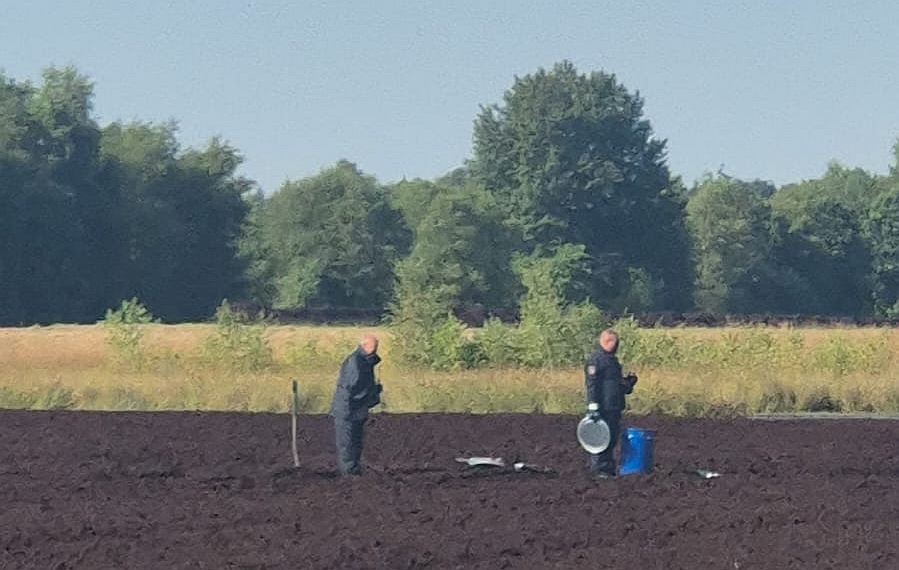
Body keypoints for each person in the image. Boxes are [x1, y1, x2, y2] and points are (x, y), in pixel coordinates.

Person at [583, 328, 637, 478]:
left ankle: (607, 467)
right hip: (602, 406)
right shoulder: (596, 360)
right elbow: (592, 384)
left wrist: (628, 383)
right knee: (601, 437)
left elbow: (615, 384)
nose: (614, 345)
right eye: (612, 342)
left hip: (614, 405)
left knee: (612, 437)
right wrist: (593, 406)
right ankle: (599, 468)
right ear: (604, 341)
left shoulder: (612, 361)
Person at [329, 333, 383, 476]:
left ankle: (355, 470)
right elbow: (350, 387)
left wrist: (373, 391)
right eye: (374, 346)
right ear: (364, 345)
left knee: (356, 441)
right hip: (347, 409)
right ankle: (348, 473)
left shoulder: (366, 362)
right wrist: (368, 394)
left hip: (358, 409)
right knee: (347, 442)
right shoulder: (355, 362)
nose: (376, 349)